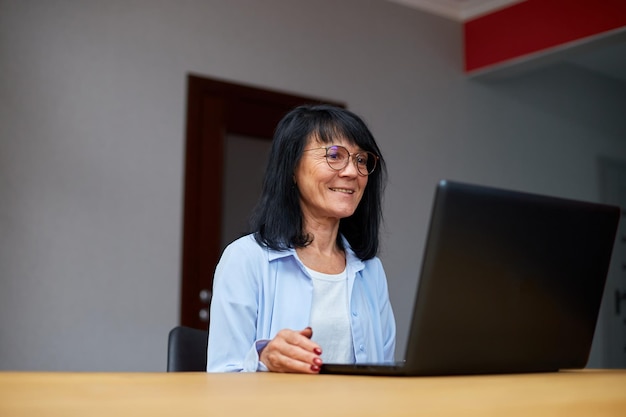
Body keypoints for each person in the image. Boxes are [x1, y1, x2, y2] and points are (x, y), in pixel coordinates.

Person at [206, 104, 396, 373]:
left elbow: (384, 375)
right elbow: (221, 379)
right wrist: (264, 361)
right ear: (292, 168)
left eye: (361, 160)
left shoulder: (370, 270)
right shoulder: (245, 259)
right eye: (334, 155)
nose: (352, 172)